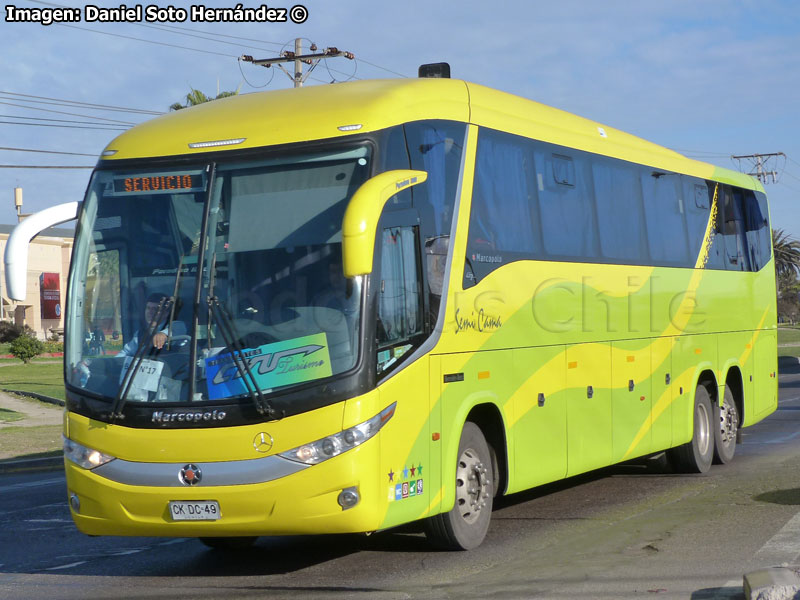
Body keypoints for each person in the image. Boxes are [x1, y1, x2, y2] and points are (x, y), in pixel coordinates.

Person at [118, 293, 181, 357]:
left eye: (155, 309)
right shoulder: (140, 334)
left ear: (166, 313)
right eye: (148, 308)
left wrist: (163, 334)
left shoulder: (176, 326)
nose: (150, 312)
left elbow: (175, 330)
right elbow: (126, 352)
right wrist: (112, 363)